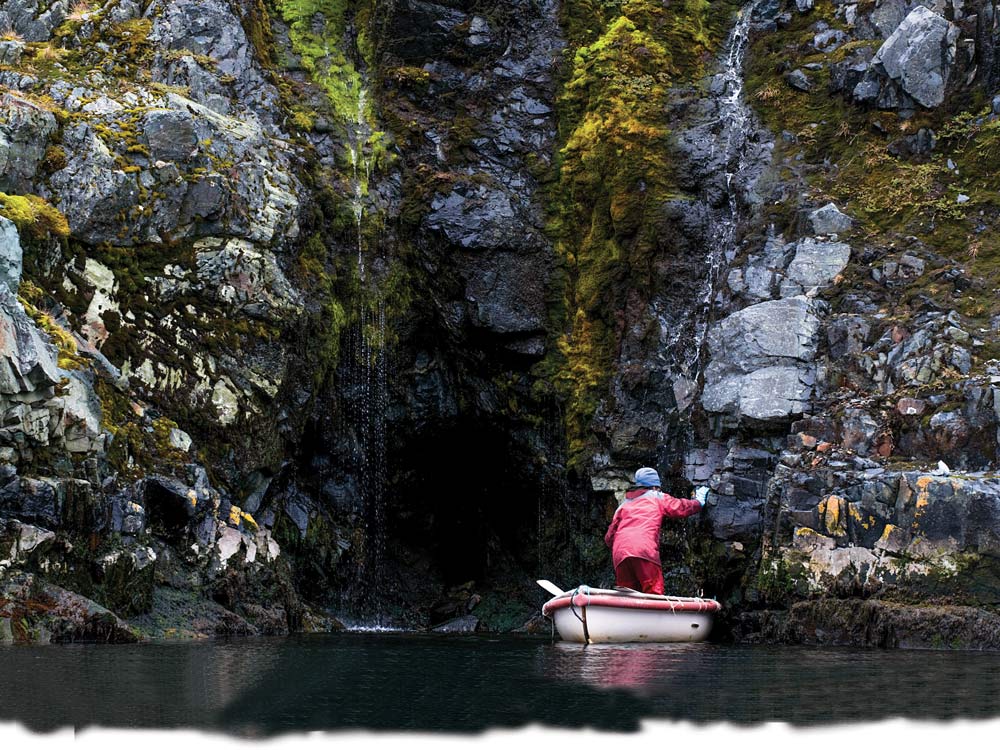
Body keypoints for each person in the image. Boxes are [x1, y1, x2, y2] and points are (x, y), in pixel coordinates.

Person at [603, 467, 709, 595]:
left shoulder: (624, 505)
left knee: (628, 594)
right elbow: (679, 507)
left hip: (619, 554)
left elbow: (609, 538)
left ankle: (629, 614)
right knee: (653, 591)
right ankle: (656, 614)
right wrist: (698, 502)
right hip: (643, 549)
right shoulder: (656, 496)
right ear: (654, 487)